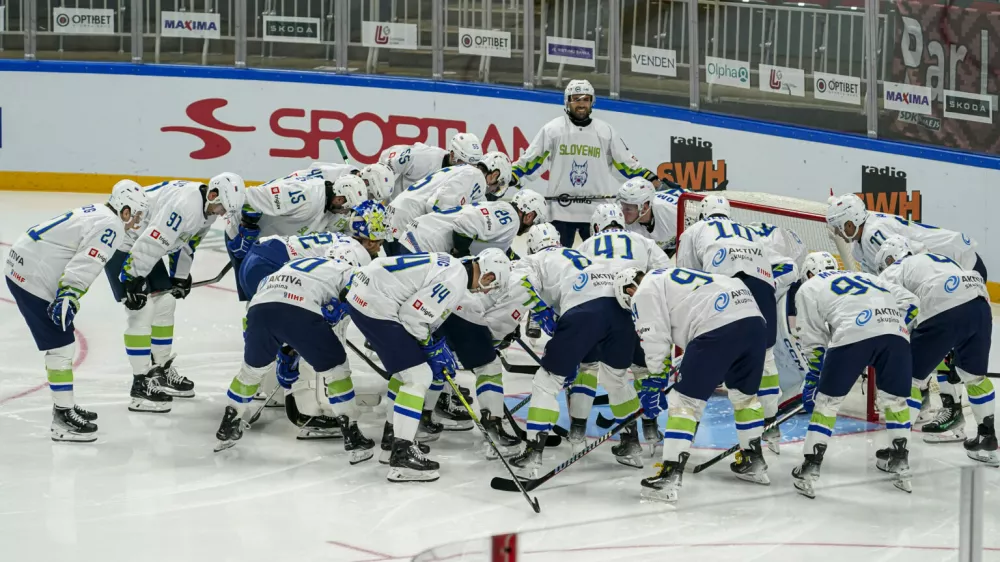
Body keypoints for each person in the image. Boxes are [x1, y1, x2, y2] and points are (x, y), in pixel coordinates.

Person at [346, 250, 510, 482]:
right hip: (376, 304)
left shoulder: (452, 266)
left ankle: (392, 440)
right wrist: (430, 348)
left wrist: (429, 343)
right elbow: (413, 316)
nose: (486, 291)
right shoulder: (455, 280)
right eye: (491, 286)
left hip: (365, 296)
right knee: (418, 376)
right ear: (488, 275)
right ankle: (402, 455)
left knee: (406, 372)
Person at [5, 180, 148, 442]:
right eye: (136, 215)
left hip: (25, 263)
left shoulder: (101, 212)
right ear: (125, 210)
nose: (137, 221)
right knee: (61, 345)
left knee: (63, 342)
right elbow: (88, 261)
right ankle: (62, 417)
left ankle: (65, 405)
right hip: (32, 276)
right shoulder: (112, 225)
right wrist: (69, 294)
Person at [613, 266, 768, 502]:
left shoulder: (643, 292)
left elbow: (653, 337)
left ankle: (669, 476)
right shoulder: (668, 276)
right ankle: (753, 461)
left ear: (628, 291)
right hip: (753, 321)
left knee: (683, 402)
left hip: (717, 325)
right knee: (745, 398)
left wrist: (655, 378)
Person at [215, 249, 375, 464]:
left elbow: (278, 315)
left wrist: (287, 351)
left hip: (258, 309)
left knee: (251, 372)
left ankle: (229, 423)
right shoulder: (346, 269)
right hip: (300, 308)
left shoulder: (291, 266)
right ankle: (352, 435)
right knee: (336, 370)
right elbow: (354, 289)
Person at [104, 174, 245, 412]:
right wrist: (131, 277)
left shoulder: (207, 209)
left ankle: (159, 370)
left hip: (143, 242)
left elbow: (187, 243)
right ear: (212, 195)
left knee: (166, 301)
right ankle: (140, 385)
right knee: (140, 308)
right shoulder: (185, 206)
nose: (222, 214)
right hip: (123, 241)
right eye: (222, 207)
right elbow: (154, 241)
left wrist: (180, 275)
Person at [792, 254, 919, 497]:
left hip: (852, 333)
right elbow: (912, 302)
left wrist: (815, 376)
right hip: (896, 334)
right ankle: (901, 462)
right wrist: (889, 326)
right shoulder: (866, 276)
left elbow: (812, 338)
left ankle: (809, 467)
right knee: (896, 401)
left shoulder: (809, 287)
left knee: (827, 403)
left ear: (808, 272)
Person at [510, 248, 642, 475]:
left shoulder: (531, 261)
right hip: (621, 312)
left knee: (547, 381)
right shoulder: (581, 256)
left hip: (583, 311)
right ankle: (631, 444)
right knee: (616, 379)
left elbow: (519, 285)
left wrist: (541, 311)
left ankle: (533, 451)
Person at [876, 236, 997, 465]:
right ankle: (987, 439)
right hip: (980, 301)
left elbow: (901, 312)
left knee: (908, 379)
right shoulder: (937, 258)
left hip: (943, 303)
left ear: (889, 260)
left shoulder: (892, 271)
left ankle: (897, 451)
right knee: (974, 377)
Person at [676, 194, 782, 449]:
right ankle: (771, 424)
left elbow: (687, 278)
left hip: (725, 287)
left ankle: (687, 428)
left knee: (704, 354)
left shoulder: (695, 230)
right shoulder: (750, 232)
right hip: (763, 288)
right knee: (766, 357)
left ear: (702, 213)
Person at [511, 79, 660, 248]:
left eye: (586, 99)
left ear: (592, 102)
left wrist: (650, 179)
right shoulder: (553, 130)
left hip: (598, 213)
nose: (581, 104)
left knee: (602, 260)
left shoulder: (605, 132)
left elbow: (626, 165)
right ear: (567, 101)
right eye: (576, 99)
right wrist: (514, 174)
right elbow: (533, 160)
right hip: (560, 212)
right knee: (557, 260)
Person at [826, 193, 985, 280]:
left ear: (850, 223)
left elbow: (910, 268)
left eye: (839, 227)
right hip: (954, 262)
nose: (837, 232)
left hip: (962, 264)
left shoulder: (873, 235)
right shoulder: (864, 237)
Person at [384, 152, 512, 256]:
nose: (493, 191)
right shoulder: (476, 177)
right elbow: (438, 205)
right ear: (494, 175)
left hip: (396, 218)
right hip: (405, 224)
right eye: (497, 186)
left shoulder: (463, 170)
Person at [397, 189, 546, 257]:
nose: (528, 230)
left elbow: (501, 249)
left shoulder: (503, 210)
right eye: (533, 223)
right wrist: (462, 256)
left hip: (419, 236)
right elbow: (465, 223)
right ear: (529, 216)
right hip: (425, 244)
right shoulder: (512, 219)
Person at [380, 132, 484, 198]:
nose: (469, 170)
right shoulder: (422, 156)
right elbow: (385, 164)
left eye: (474, 166)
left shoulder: (469, 179)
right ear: (452, 155)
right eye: (465, 164)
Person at [616, 177, 686, 257]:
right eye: (622, 206)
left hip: (676, 242)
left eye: (628, 209)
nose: (622, 213)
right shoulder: (617, 216)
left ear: (644, 208)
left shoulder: (674, 211)